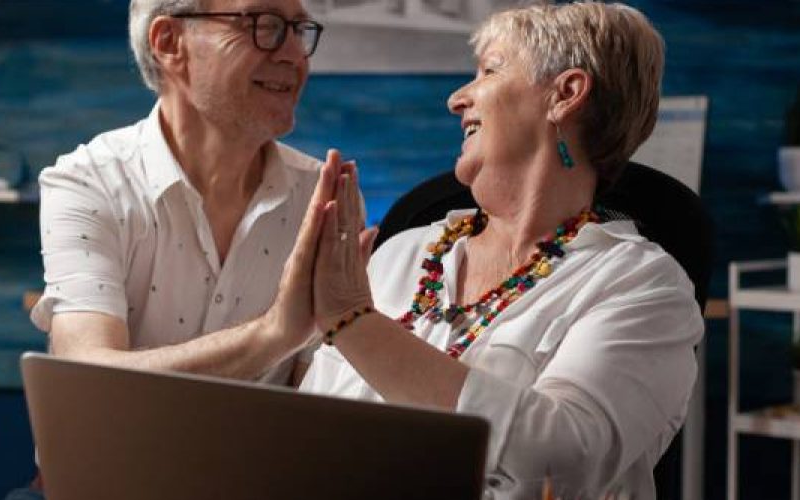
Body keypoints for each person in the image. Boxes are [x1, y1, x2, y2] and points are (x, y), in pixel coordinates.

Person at [294, 3, 702, 499]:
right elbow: (311, 437)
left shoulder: (644, 287)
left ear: (566, 95)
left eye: (489, 69)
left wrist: (354, 322)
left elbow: (558, 462)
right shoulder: (398, 255)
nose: (456, 99)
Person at [13, 0, 332, 497]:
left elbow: (324, 399)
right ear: (169, 43)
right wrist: (272, 335)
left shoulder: (320, 194)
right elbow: (85, 383)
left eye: (299, 29)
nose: (295, 54)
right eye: (266, 26)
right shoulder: (88, 181)